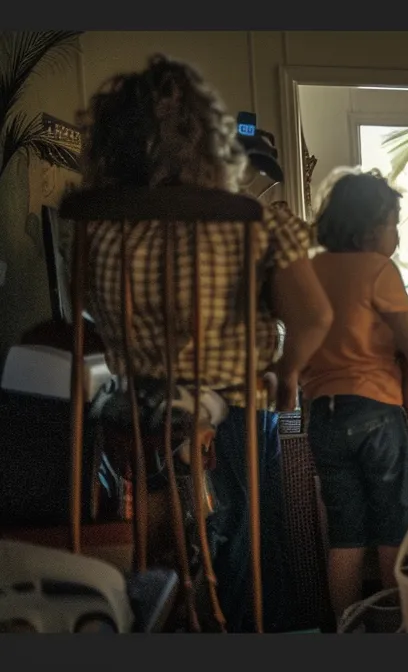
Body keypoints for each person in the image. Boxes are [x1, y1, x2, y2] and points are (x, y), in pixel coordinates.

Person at [63, 55, 333, 632]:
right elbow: (313, 316)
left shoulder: (98, 226)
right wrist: (286, 374)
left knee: (165, 546)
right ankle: (251, 630)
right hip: (234, 405)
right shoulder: (251, 220)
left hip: (135, 414)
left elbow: (85, 310)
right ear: (212, 143)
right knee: (247, 536)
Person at [304, 170, 408, 623]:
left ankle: (345, 631)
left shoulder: (309, 269)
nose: (398, 234)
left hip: (323, 418)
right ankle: (398, 629)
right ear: (369, 227)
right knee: (393, 530)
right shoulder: (378, 270)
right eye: (393, 223)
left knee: (346, 538)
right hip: (376, 414)